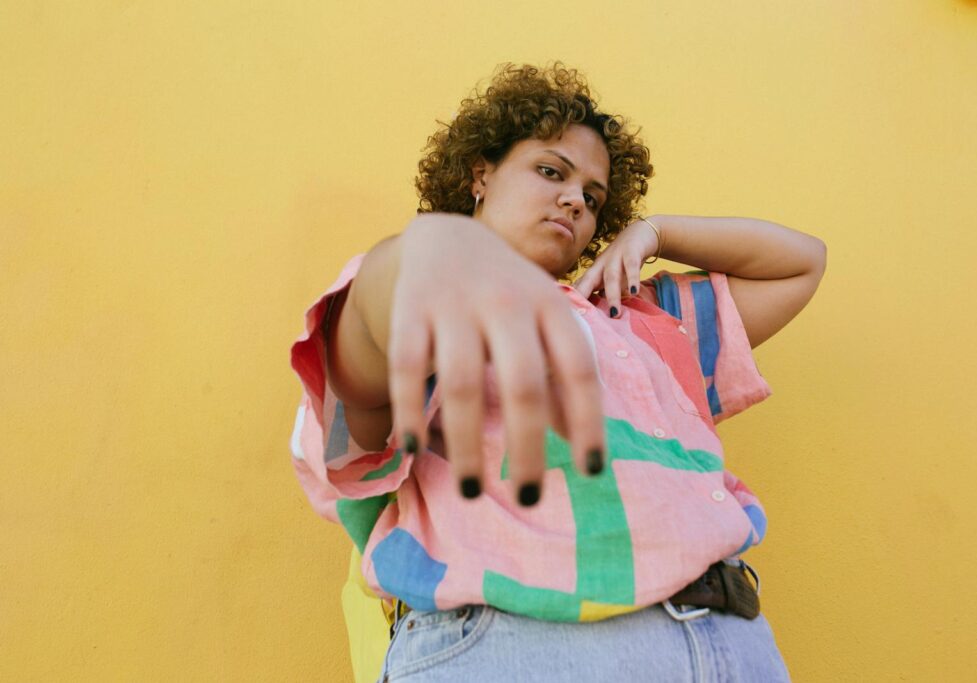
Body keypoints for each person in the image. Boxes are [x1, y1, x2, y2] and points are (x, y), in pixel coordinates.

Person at [289, 63, 826, 682]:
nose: (575, 198)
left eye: (593, 198)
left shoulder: (640, 318)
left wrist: (654, 233)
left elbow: (801, 264)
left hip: (731, 647)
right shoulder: (427, 287)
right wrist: (414, 257)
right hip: (522, 650)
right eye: (551, 172)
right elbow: (354, 394)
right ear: (480, 175)